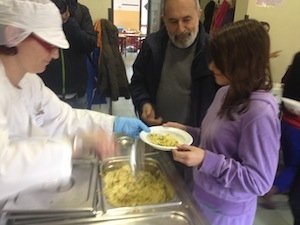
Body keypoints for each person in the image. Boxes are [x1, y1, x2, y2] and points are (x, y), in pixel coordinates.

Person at [0, 0, 149, 203]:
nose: (54, 54)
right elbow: (4, 169)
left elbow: (63, 118)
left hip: (25, 199)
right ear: (13, 34)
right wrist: (73, 147)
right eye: (48, 44)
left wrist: (113, 124)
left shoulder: (30, 82)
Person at [165, 19, 281, 225]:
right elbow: (216, 139)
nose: (211, 66)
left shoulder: (260, 112)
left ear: (244, 63)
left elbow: (259, 181)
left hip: (227, 214)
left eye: (220, 61)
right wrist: (186, 131)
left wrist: (205, 160)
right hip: (200, 199)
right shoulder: (224, 92)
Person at [129, 0, 218, 186]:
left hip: (194, 146)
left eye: (187, 20)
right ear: (163, 19)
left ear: (199, 14)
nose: (180, 29)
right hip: (155, 140)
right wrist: (144, 103)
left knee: (187, 194)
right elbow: (138, 81)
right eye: (173, 21)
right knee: (152, 188)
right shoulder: (152, 46)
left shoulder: (213, 51)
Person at [39, 0, 96, 109]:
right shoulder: (41, 9)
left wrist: (69, 22)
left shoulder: (81, 11)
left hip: (77, 94)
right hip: (46, 94)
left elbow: (90, 44)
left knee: (79, 125)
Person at [262, 52, 300, 209]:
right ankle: (272, 189)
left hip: (285, 121)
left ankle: (270, 185)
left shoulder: (297, 57)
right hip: (298, 127)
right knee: (295, 166)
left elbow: (285, 82)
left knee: (283, 161)